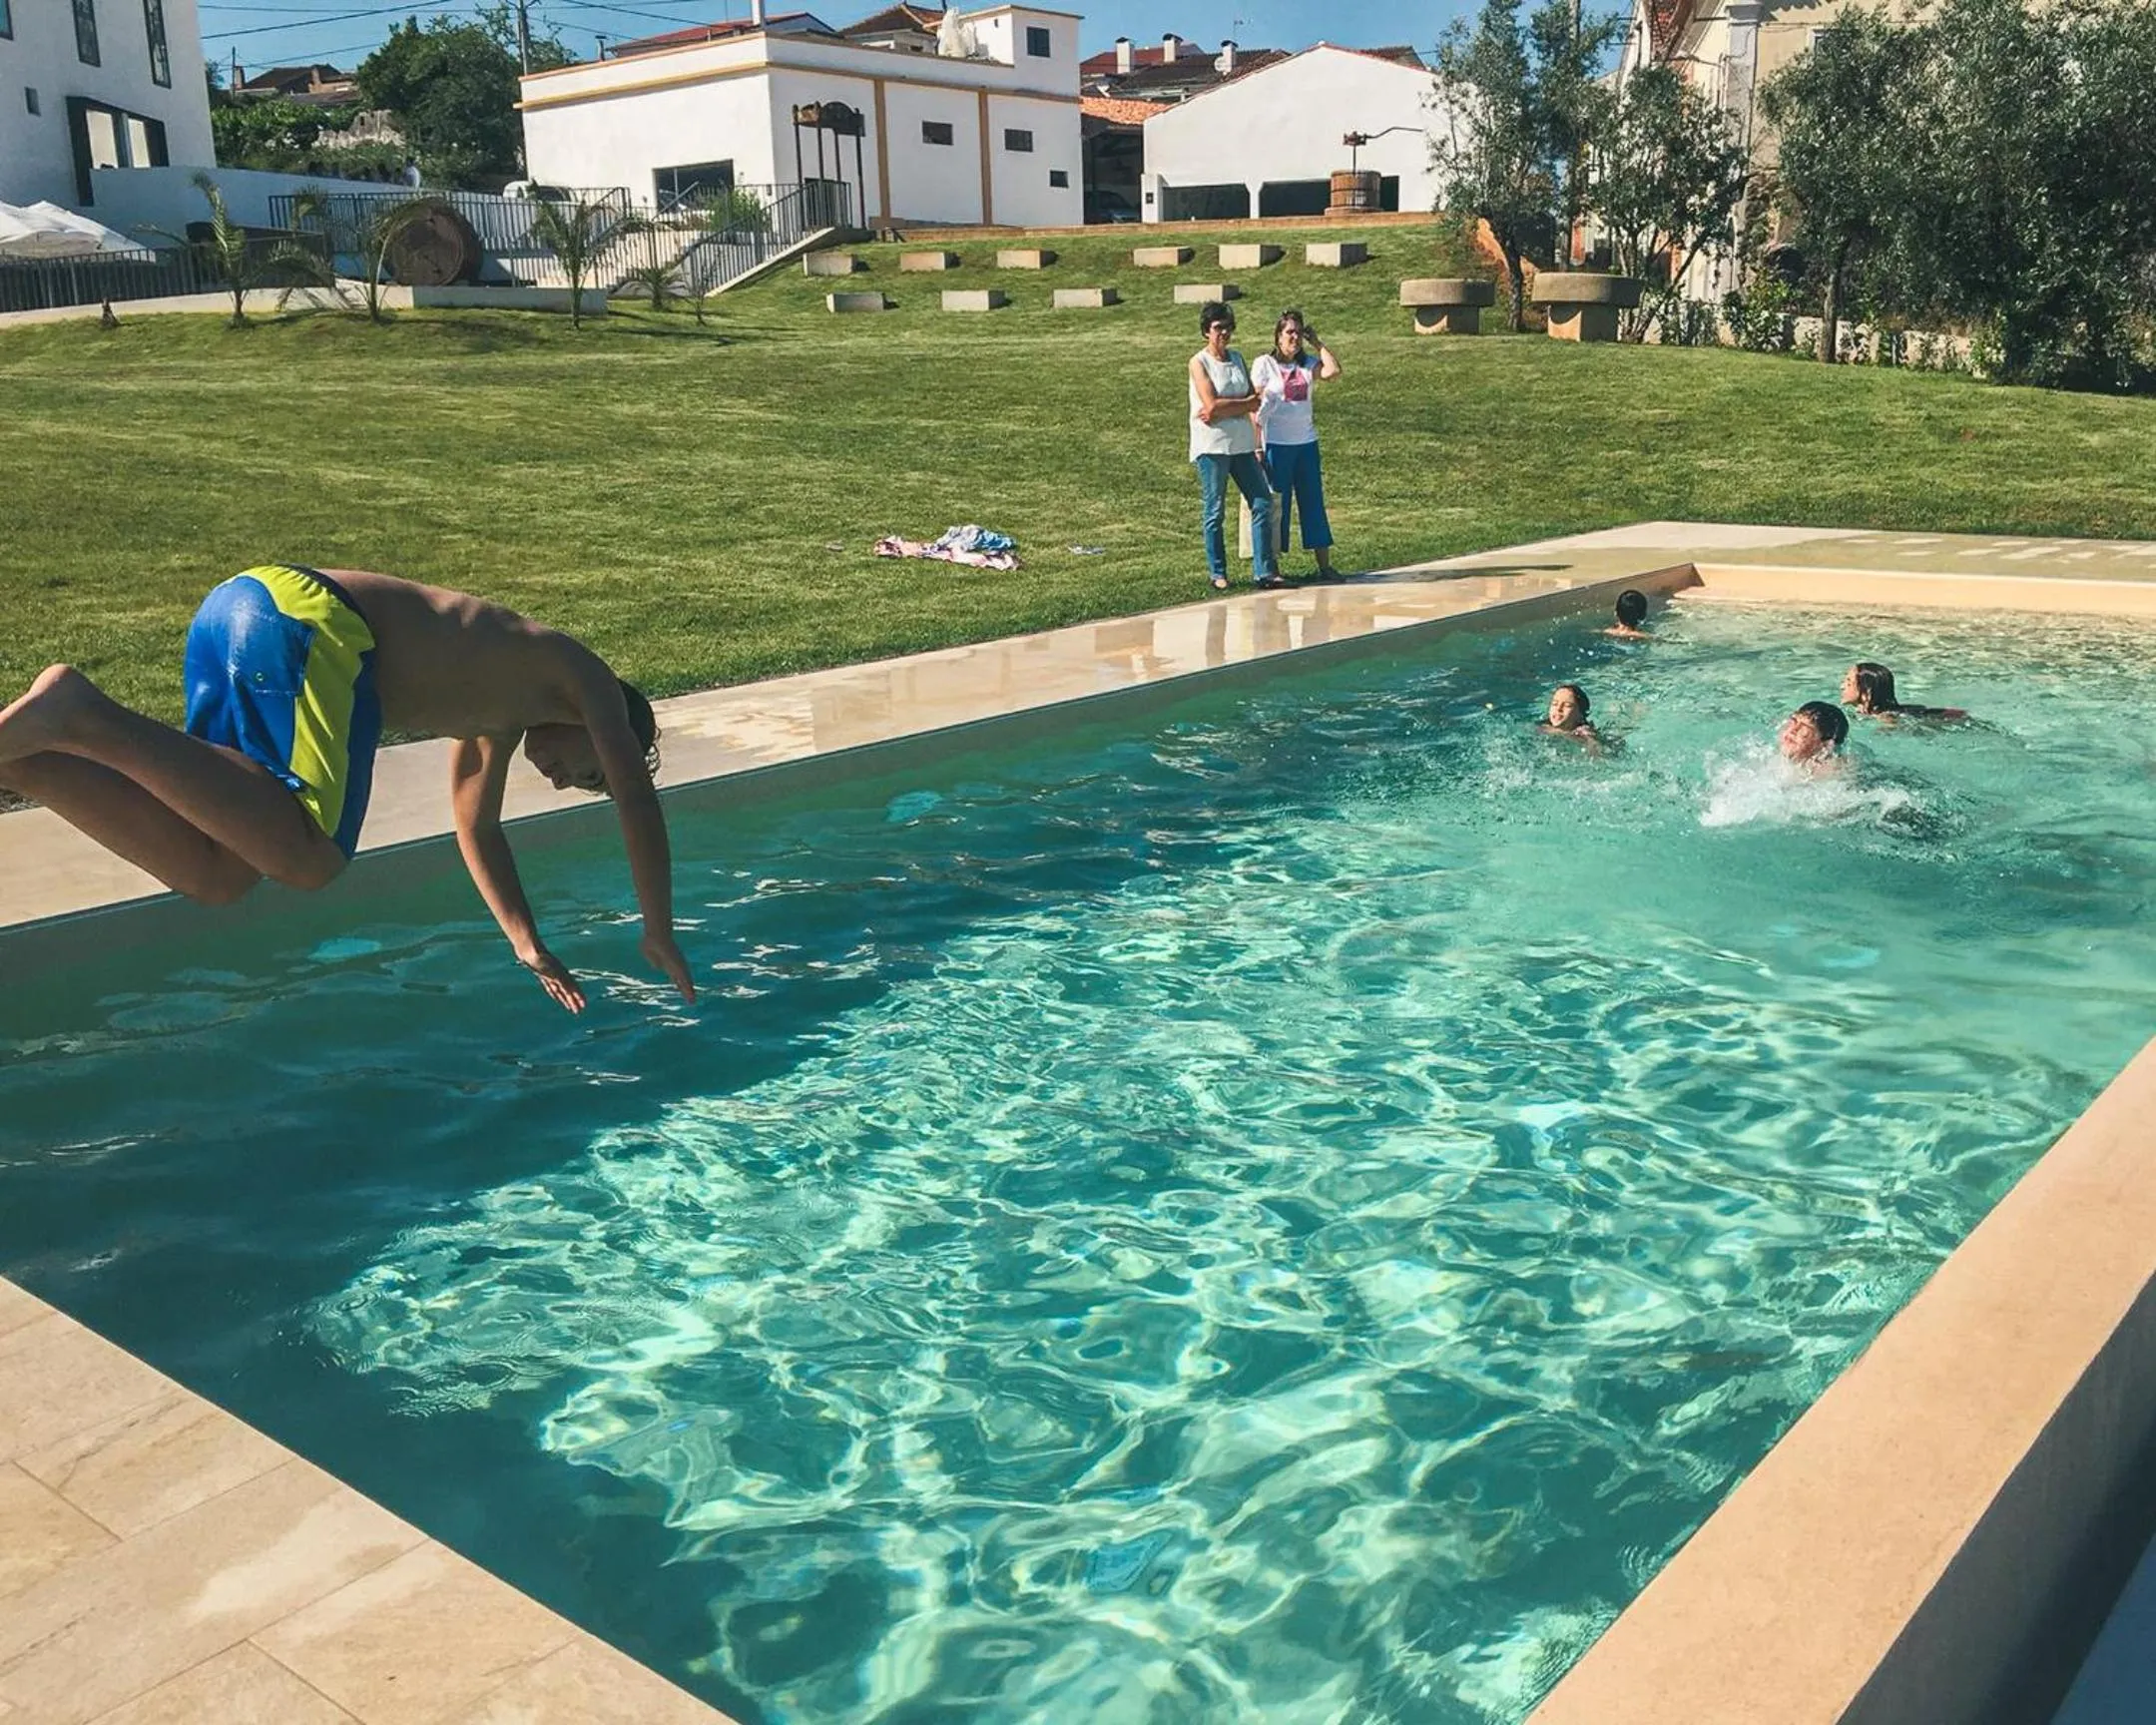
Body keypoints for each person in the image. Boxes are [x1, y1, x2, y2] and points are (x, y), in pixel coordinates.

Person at [0, 563, 694, 1015]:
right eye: (590, 770)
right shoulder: (583, 676)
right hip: (306, 624)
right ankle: (77, 714)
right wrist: (659, 928)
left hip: (247, 614)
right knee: (313, 856)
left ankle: (26, 763)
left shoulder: (495, 720)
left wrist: (524, 941)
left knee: (220, 870)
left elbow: (477, 828)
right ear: (607, 734)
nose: (566, 779)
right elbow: (637, 796)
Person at [1187, 301, 1280, 593]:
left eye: (1227, 327)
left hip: (1241, 444)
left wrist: (1233, 408)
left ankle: (1264, 570)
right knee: (1215, 510)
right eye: (1217, 328)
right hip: (1212, 446)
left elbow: (1255, 401)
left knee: (1262, 501)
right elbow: (1211, 405)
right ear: (1206, 331)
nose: (1223, 333)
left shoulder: (1238, 359)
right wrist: (1238, 405)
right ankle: (1218, 572)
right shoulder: (1198, 362)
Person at [1251, 307, 1342, 579]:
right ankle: (1274, 568)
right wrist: (1257, 446)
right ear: (1278, 336)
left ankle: (1324, 566)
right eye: (1289, 332)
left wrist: (1317, 341)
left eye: (1298, 332)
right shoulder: (1264, 364)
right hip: (1276, 445)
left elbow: (1334, 371)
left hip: (1306, 444)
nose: (1294, 337)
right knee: (1279, 507)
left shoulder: (1307, 364)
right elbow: (1254, 408)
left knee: (1313, 502)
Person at [1842, 661, 1968, 721]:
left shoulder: (1886, 718)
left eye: (1848, 683)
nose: (1842, 687)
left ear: (1867, 691)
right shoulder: (1875, 714)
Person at [1779, 700, 1850, 770]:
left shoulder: (1834, 775)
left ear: (1825, 744)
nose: (1793, 730)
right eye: (1794, 721)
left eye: (1804, 727)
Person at [1538, 684, 1602, 749]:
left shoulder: (1584, 733)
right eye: (1555, 704)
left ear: (1580, 714)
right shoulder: (1541, 727)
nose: (1559, 709)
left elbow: (1597, 750)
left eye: (1567, 705)